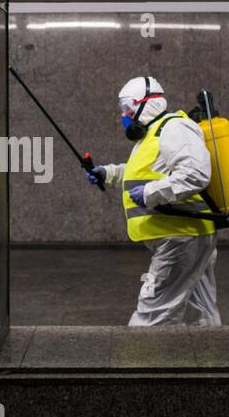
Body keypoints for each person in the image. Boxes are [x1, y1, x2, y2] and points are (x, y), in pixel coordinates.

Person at [86, 76, 221, 326]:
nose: (124, 114)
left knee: (152, 312)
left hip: (181, 237)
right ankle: (208, 359)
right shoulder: (151, 136)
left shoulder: (174, 128)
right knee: (199, 312)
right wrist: (108, 173)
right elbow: (143, 173)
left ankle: (141, 361)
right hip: (184, 236)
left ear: (146, 104)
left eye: (128, 106)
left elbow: (195, 174)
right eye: (122, 108)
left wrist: (150, 194)